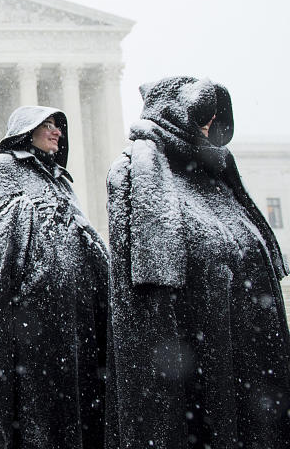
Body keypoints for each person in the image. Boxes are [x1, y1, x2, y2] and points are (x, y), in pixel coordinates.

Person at [106, 76, 290, 448]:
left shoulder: (218, 176)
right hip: (195, 358)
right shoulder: (139, 172)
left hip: (243, 357)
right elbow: (144, 293)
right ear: (176, 112)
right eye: (202, 114)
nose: (209, 125)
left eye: (215, 116)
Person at [0, 105, 109, 449]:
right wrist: (33, 214)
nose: (57, 132)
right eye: (48, 125)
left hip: (68, 320)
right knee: (32, 404)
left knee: (67, 403)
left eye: (59, 126)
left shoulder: (59, 180)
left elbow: (84, 238)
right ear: (26, 130)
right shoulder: (4, 169)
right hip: (28, 317)